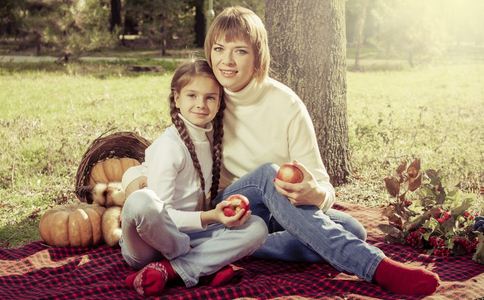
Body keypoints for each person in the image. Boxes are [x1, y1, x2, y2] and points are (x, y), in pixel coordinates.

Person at [204, 6, 440, 296]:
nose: (226, 61)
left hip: (278, 211)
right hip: (230, 206)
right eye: (218, 48)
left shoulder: (286, 105)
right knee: (268, 174)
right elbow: (176, 146)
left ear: (257, 56)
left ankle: (233, 247)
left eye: (239, 51)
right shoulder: (206, 96)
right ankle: (376, 267)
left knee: (354, 230)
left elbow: (323, 188)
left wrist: (312, 194)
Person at [120, 59, 268, 297]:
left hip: (190, 235)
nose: (201, 104)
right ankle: (199, 264)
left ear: (219, 102)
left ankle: (173, 269)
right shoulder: (169, 147)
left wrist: (222, 213)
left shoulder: (209, 138)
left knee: (257, 228)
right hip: (148, 244)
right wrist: (210, 216)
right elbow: (160, 216)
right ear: (177, 98)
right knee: (143, 202)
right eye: (192, 95)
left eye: (210, 97)